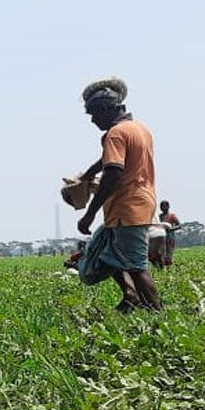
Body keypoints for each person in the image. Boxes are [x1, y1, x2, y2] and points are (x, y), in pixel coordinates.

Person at [72, 77, 161, 312]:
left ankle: (157, 313)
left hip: (127, 207)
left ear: (104, 109)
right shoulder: (139, 129)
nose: (92, 120)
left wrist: (89, 213)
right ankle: (131, 297)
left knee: (136, 266)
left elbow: (113, 171)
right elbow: (107, 160)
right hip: (140, 202)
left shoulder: (115, 133)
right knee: (105, 252)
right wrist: (87, 176)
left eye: (93, 113)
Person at [159, 200, 181, 267]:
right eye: (161, 206)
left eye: (164, 206)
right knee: (161, 253)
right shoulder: (159, 216)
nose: (163, 208)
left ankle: (169, 267)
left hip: (170, 237)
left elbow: (179, 225)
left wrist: (170, 229)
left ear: (168, 207)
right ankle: (162, 267)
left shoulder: (172, 216)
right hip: (161, 237)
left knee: (169, 253)